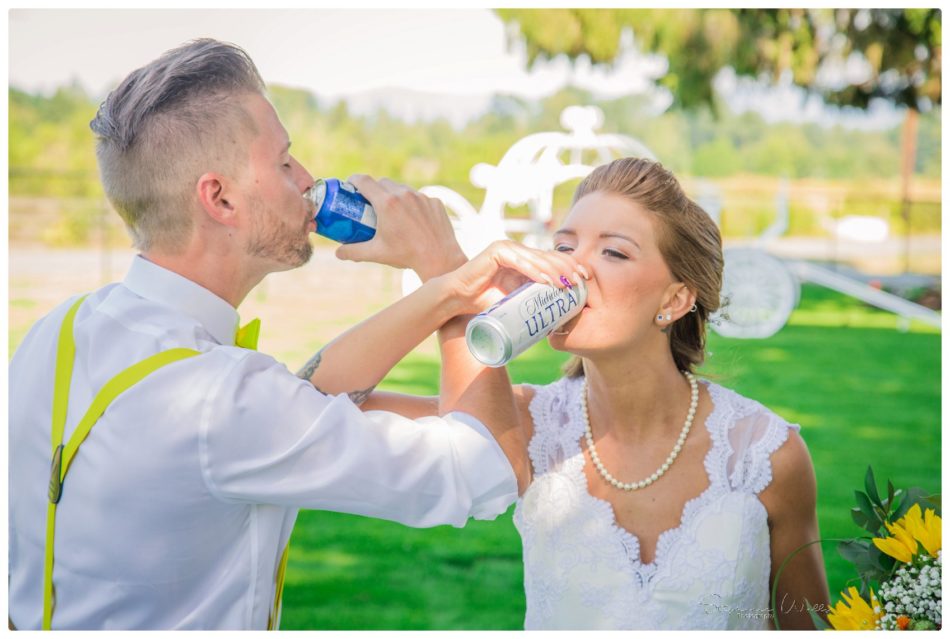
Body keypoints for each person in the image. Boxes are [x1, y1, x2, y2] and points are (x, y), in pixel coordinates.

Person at [7, 38, 584, 630]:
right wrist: (441, 263)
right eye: (284, 162)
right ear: (221, 197)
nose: (307, 177)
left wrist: (448, 290)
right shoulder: (219, 401)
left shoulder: (61, 329)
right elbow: (489, 469)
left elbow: (303, 394)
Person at [366, 157, 831, 630]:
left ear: (674, 300)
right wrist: (447, 286)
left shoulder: (765, 455)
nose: (575, 269)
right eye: (564, 246)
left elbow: (810, 627)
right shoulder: (524, 424)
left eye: (614, 252)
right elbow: (315, 404)